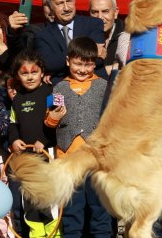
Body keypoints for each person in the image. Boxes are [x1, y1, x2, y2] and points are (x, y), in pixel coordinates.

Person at [43, 37, 112, 238]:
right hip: (68, 160)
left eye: (88, 64)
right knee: (72, 213)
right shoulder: (58, 88)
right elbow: (49, 122)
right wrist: (54, 117)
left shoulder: (104, 87)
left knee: (100, 211)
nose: (82, 69)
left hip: (97, 160)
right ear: (68, 61)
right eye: (78, 64)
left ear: (95, 63)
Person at [7, 50, 59, 237]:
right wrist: (14, 139)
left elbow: (58, 122)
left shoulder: (52, 92)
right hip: (27, 160)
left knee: (49, 200)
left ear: (42, 73)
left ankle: (54, 234)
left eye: (34, 72)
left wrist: (44, 141)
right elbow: (13, 123)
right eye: (24, 73)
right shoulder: (17, 99)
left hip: (47, 156)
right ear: (17, 76)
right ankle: (35, 234)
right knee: (29, 202)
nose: (30, 77)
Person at [34, 0, 106, 84]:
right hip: (62, 89)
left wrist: (57, 70)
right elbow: (48, 64)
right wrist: (89, 53)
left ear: (75, 1)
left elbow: (98, 61)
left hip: (95, 87)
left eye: (69, 1)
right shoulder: (43, 35)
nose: (66, 8)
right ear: (51, 7)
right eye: (60, 3)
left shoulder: (94, 24)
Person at [89, 0, 130, 76]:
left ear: (115, 13)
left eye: (105, 11)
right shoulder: (83, 35)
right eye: (95, 12)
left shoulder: (130, 34)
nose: (100, 17)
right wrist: (113, 68)